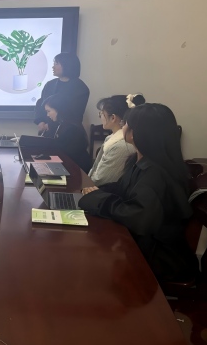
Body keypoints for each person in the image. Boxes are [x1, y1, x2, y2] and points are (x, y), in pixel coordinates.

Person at [78, 103, 199, 282]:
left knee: (88, 261)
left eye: (126, 123)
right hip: (144, 244)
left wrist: (98, 199)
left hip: (158, 257)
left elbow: (138, 216)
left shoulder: (155, 173)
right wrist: (98, 192)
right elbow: (122, 188)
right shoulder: (143, 161)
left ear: (134, 133)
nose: (123, 126)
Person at [89, 94, 145, 186]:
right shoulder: (112, 138)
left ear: (113, 118)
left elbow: (101, 180)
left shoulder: (122, 146)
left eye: (102, 114)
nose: (100, 117)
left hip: (104, 191)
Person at [34, 52, 89, 137]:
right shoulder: (50, 85)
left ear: (67, 65)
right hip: (48, 133)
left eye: (56, 64)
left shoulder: (80, 88)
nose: (53, 67)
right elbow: (41, 104)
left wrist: (51, 125)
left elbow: (74, 113)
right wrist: (40, 121)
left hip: (69, 134)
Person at [43, 96, 92, 173]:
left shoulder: (72, 128)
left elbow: (65, 152)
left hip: (77, 169)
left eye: (49, 111)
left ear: (58, 109)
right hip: (67, 165)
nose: (47, 115)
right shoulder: (61, 124)